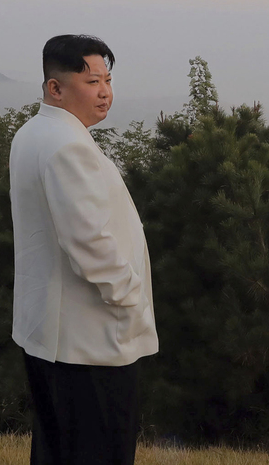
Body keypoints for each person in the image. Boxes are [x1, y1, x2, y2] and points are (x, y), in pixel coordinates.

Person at [9, 34, 158, 465]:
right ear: (55, 87)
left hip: (50, 333)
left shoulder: (33, 133)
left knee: (57, 449)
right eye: (92, 81)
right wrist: (129, 297)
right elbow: (87, 240)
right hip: (89, 337)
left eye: (108, 79)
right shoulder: (67, 145)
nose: (105, 91)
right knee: (99, 450)